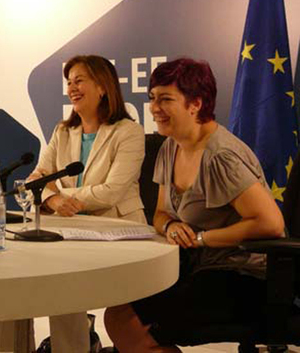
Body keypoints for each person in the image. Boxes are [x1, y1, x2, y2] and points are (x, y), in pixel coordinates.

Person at [103, 58, 284, 352]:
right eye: (152, 98)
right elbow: (160, 214)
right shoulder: (170, 147)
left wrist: (201, 238)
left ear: (195, 104)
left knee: (134, 324)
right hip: (199, 267)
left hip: (243, 275)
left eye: (165, 99)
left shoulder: (222, 156)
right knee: (118, 313)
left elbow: (271, 224)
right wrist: (172, 226)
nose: (154, 108)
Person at [30, 55, 146, 223]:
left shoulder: (130, 132)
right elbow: (34, 181)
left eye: (78, 81)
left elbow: (110, 193)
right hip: (74, 226)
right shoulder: (62, 132)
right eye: (69, 83)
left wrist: (56, 194)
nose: (71, 89)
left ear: (102, 87)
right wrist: (53, 200)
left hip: (119, 228)